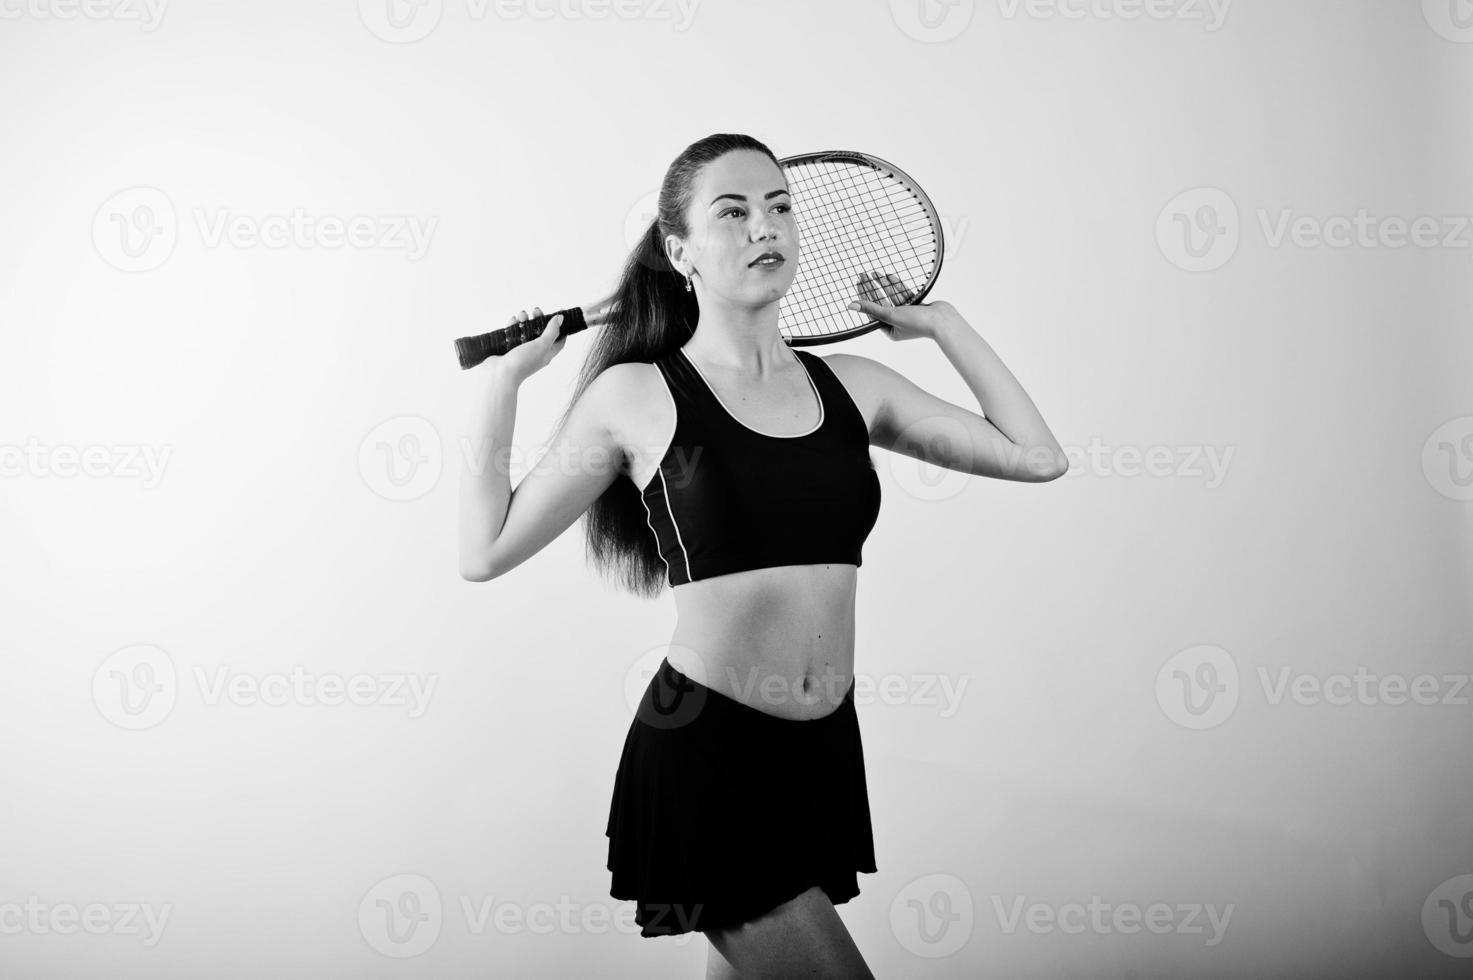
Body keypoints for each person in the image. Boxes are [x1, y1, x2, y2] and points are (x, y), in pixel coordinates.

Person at [459, 133, 1066, 979]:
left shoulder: (851, 386)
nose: (763, 226)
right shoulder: (635, 394)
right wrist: (503, 386)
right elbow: (483, 553)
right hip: (706, 753)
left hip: (816, 756)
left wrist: (942, 327)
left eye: (780, 205)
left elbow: (1035, 456)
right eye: (733, 211)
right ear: (680, 253)